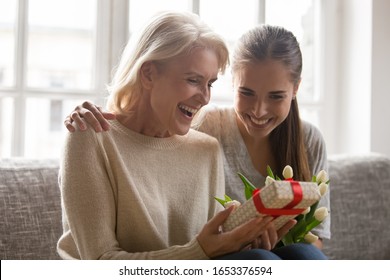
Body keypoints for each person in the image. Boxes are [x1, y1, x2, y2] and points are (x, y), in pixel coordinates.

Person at [63, 22, 329, 259]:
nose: (205, 98)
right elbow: (98, 261)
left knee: (302, 255)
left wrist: (243, 240)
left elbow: (213, 245)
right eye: (193, 80)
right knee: (262, 261)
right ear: (148, 74)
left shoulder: (205, 147)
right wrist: (203, 250)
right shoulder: (91, 136)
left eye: (210, 84)